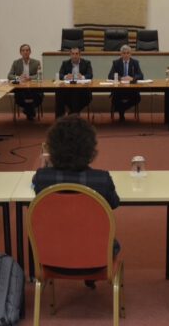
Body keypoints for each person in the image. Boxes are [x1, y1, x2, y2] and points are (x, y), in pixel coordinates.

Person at [32, 115, 120, 285]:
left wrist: (46, 168)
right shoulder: (102, 180)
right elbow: (114, 203)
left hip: (52, 258)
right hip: (98, 259)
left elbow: (40, 200)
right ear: (90, 149)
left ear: (52, 148)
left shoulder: (42, 178)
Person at [108, 44, 144, 122]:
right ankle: (121, 113)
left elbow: (141, 75)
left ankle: (121, 109)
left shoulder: (135, 62)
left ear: (130, 54)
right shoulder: (116, 63)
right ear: (121, 54)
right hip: (119, 89)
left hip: (131, 90)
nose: (126, 55)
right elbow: (110, 75)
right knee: (115, 99)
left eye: (128, 53)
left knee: (137, 98)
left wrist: (132, 78)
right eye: (124, 53)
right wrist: (121, 78)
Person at [7, 44, 43, 121]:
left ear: (30, 52)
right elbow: (9, 75)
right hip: (21, 90)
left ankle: (28, 110)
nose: (25, 52)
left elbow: (39, 75)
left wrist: (30, 78)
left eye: (27, 50)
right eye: (23, 50)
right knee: (25, 92)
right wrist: (18, 78)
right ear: (20, 52)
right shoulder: (16, 63)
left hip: (33, 89)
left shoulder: (36, 62)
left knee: (31, 93)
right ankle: (30, 111)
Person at [56, 46, 93, 116]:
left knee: (75, 93)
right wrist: (66, 77)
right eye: (72, 54)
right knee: (58, 92)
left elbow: (90, 75)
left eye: (76, 54)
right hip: (68, 90)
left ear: (80, 55)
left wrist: (82, 77)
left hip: (83, 91)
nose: (74, 56)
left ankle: (73, 114)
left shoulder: (87, 63)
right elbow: (60, 75)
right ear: (70, 55)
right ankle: (60, 118)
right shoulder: (65, 63)